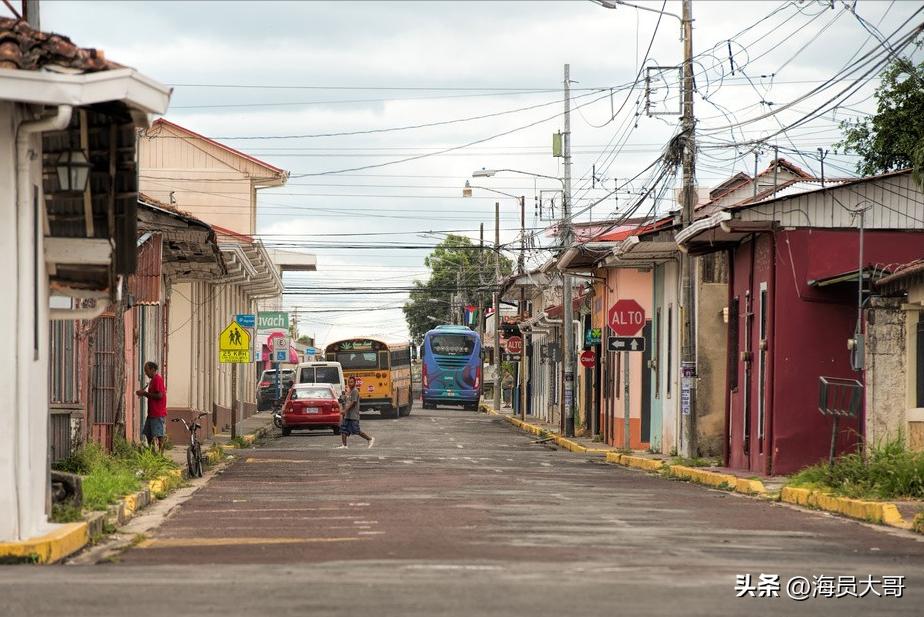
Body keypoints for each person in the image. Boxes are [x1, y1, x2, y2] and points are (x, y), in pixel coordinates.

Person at [137, 361, 167, 453]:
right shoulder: (152, 380)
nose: (145, 373)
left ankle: (161, 455)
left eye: (147, 370)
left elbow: (159, 396)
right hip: (152, 413)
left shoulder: (157, 379)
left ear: (152, 369)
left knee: (159, 435)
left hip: (157, 413)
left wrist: (144, 393)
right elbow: (153, 395)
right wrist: (144, 393)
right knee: (148, 433)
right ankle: (152, 452)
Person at [336, 376, 374, 449]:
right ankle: (344, 445)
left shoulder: (355, 391)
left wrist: (345, 410)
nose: (350, 383)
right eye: (349, 382)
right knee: (343, 429)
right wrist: (342, 399)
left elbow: (353, 403)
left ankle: (369, 439)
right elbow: (345, 401)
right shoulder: (348, 391)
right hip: (347, 415)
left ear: (355, 383)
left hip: (353, 415)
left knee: (356, 430)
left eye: (352, 382)